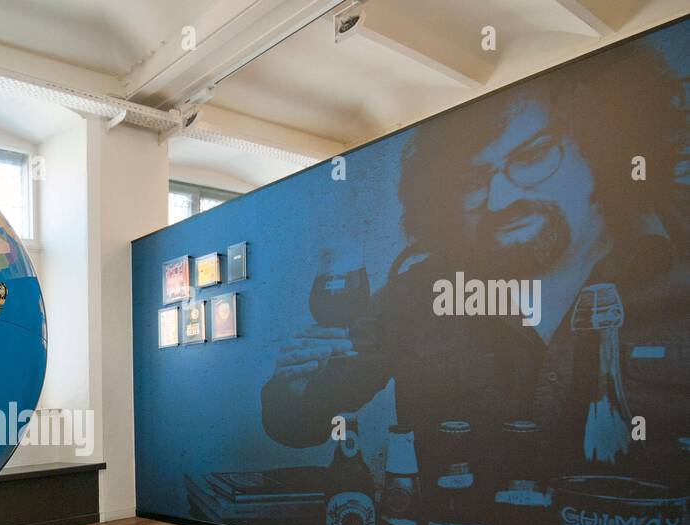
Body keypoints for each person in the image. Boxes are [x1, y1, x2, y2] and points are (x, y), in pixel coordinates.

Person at [260, 41, 690, 479]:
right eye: (473, 180)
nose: (500, 199)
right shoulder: (414, 295)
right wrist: (294, 385)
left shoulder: (679, 274)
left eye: (533, 156)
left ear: (601, 149)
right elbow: (299, 425)